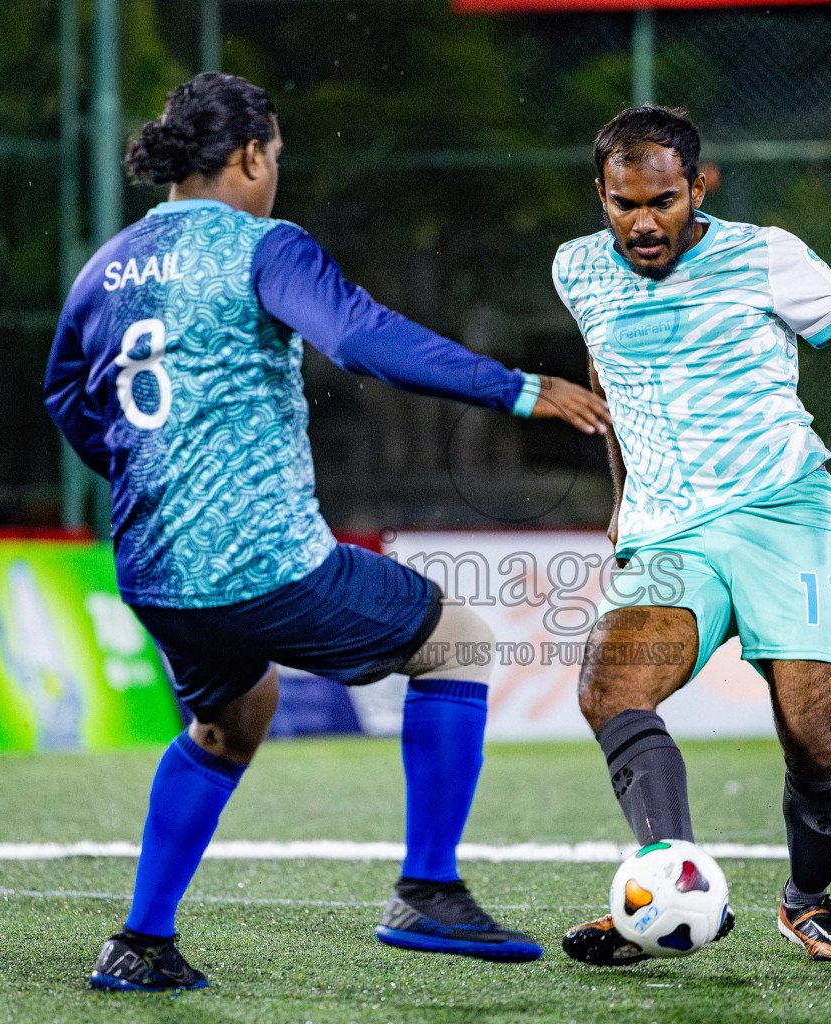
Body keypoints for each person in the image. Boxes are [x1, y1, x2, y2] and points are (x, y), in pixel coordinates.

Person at [43, 72, 611, 991]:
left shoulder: (105, 265)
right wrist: (515, 387)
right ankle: (429, 891)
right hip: (263, 562)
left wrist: (146, 475)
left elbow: (66, 396)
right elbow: (357, 337)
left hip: (151, 567)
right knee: (458, 643)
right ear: (250, 156)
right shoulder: (265, 244)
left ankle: (141, 944)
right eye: (276, 157)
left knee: (235, 716)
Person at [554, 106, 831, 966]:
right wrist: (625, 498)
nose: (643, 222)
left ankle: (806, 900)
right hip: (673, 529)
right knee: (610, 685)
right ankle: (667, 888)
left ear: (698, 187)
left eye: (663, 201)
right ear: (600, 194)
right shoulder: (576, 271)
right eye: (624, 203)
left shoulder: (765, 256)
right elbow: (610, 371)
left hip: (785, 512)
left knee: (818, 731)